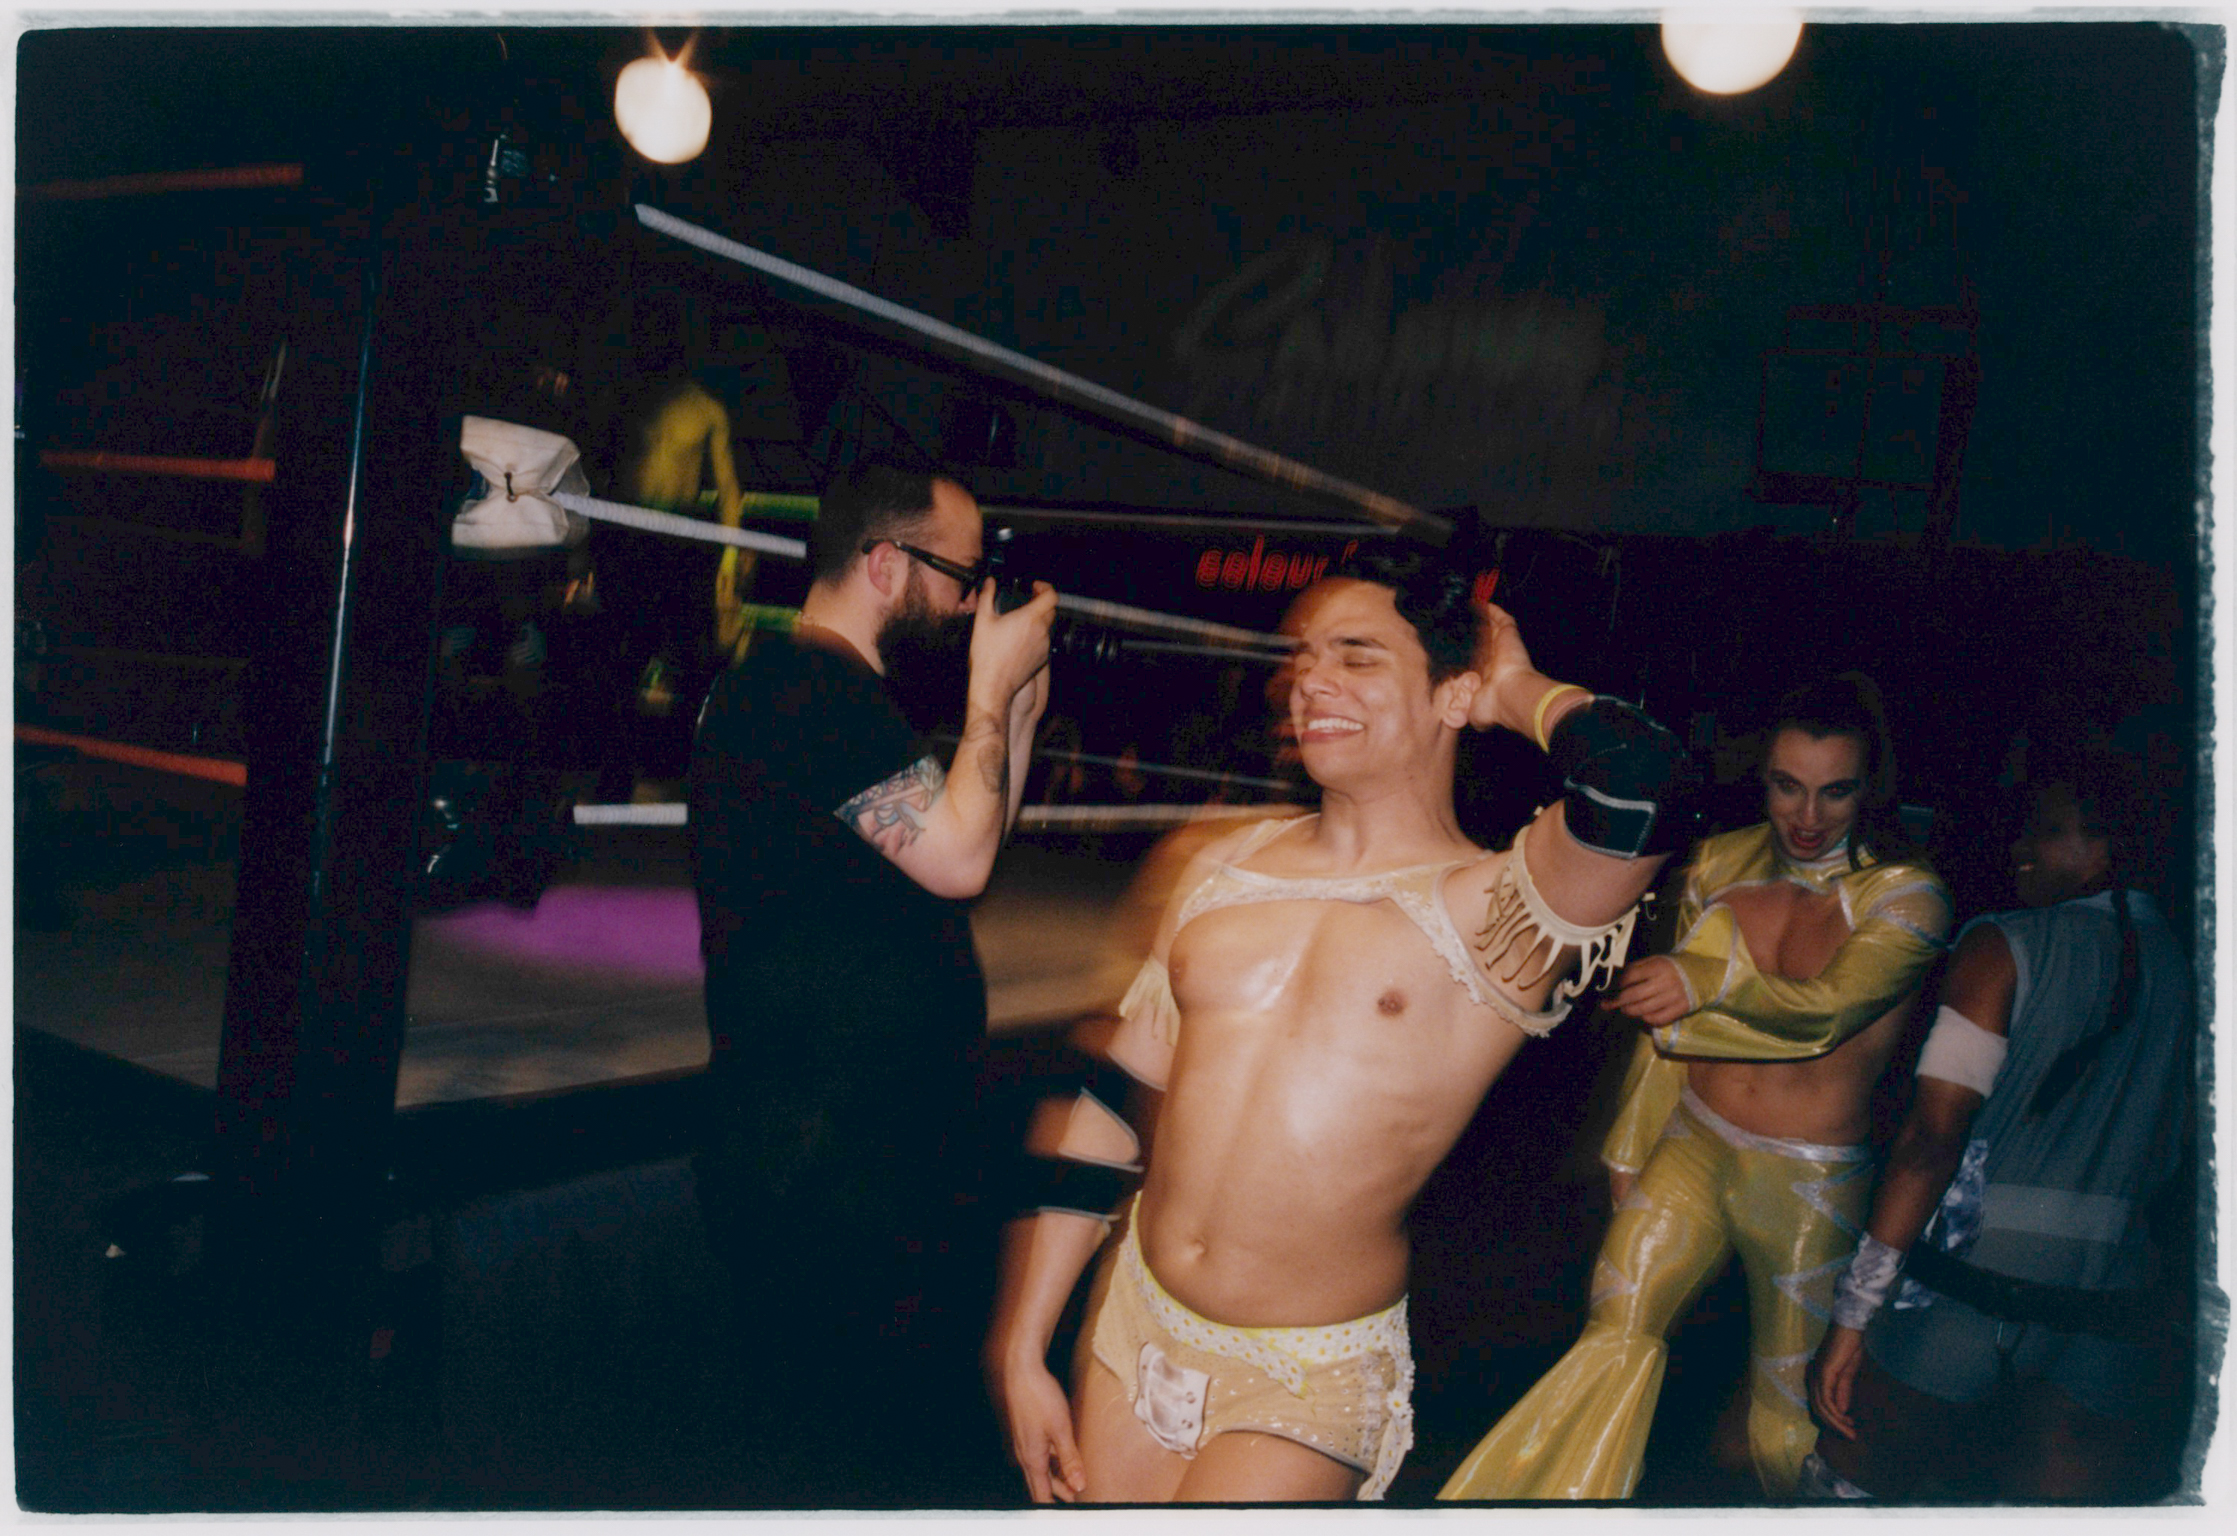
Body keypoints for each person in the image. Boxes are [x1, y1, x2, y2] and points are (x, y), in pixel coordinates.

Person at [984, 550, 1695, 1503]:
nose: (1310, 680)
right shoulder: (1215, 861)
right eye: (1305, 656)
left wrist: (1513, 685)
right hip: (1132, 1327)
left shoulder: (1497, 912)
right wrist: (1022, 1345)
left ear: (1453, 695)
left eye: (1358, 656)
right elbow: (1113, 1101)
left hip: (1304, 1374)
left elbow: (1641, 783)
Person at [1440, 673, 1951, 1501]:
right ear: (1762, 778)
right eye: (1787, 786)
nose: (1808, 817)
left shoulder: (1905, 897)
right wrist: (1625, 1150)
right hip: (1694, 1144)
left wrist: (1701, 981)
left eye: (1834, 791)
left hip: (1807, 1180)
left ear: (1868, 788)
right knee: (1612, 1330)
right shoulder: (1719, 860)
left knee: (1783, 1417)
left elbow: (1822, 1016)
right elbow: (1657, 1030)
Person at [687, 464, 1057, 1503]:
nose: (972, 602)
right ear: (886, 564)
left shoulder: (830, 695)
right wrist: (987, 690)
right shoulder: (798, 687)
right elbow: (959, 861)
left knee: (858, 1455)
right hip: (815, 1166)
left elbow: (960, 846)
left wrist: (1015, 711)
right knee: (825, 1463)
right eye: (960, 575)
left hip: (853, 1155)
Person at [1803, 754, 2193, 1501]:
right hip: (2109, 1311)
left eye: (2044, 833)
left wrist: (1856, 1310)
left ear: (2103, 848)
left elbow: (1930, 1138)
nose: (2019, 850)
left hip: (1970, 1292)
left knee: (1844, 1484)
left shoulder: (2001, 946)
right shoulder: (2186, 967)